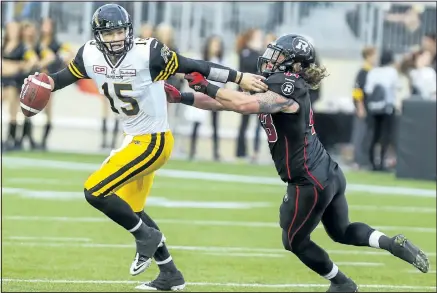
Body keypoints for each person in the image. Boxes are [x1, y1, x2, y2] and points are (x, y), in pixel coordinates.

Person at [21, 4, 267, 291]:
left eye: (119, 31)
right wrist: (45, 82)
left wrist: (238, 77)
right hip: (134, 138)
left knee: (95, 191)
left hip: (154, 140)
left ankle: (146, 237)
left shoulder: (148, 52)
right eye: (108, 33)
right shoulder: (88, 54)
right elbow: (63, 78)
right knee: (131, 208)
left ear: (129, 31)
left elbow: (196, 66)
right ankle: (170, 274)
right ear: (98, 35)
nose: (114, 38)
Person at [164, 34, 430, 292]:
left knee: (293, 240)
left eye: (278, 56)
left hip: (309, 178)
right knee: (342, 231)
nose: (269, 60)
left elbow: (242, 104)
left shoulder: (288, 85)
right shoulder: (276, 81)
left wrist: (205, 84)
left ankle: (341, 283)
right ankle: (391, 243)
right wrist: (183, 96)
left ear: (295, 65)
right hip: (327, 171)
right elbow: (227, 103)